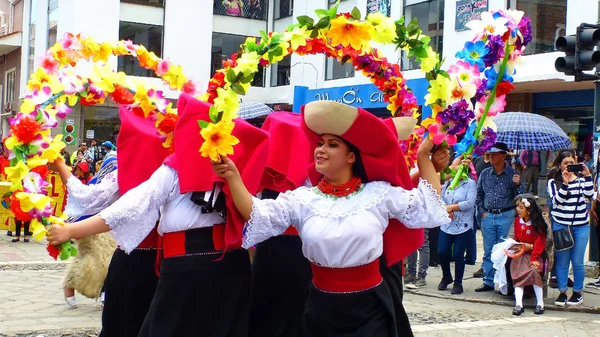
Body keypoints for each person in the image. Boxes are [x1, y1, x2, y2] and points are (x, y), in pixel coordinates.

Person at [213, 101, 450, 336]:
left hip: (370, 307)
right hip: (321, 308)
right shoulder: (303, 200)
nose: (320, 150)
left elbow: (427, 205)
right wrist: (233, 176)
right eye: (319, 143)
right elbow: (258, 214)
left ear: (351, 157)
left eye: (332, 144)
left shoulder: (378, 194)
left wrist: (423, 157)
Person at [47, 94, 270, 337]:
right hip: (229, 268)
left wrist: (71, 230)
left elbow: (131, 205)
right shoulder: (238, 170)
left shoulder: (177, 170)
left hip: (187, 268)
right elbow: (259, 216)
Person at [49, 105, 170, 336]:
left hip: (130, 261)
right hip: (171, 263)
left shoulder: (123, 172)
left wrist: (62, 168)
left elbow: (88, 199)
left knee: (120, 327)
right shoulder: (175, 170)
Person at [475, 142, 525, 292]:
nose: (491, 157)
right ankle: (488, 280)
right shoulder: (485, 174)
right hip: (488, 215)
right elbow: (479, 195)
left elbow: (521, 197)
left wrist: (518, 184)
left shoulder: (513, 174)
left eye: (495, 154)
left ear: (504, 156)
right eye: (490, 154)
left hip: (506, 215)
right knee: (489, 249)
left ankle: (504, 281)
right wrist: (483, 212)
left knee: (505, 250)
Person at [547, 150, 593, 306]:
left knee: (578, 261)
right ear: (559, 165)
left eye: (571, 163)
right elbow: (556, 202)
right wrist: (565, 184)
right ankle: (562, 292)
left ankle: (578, 292)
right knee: (562, 261)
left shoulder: (581, 179)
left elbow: (590, 194)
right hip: (561, 225)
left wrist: (587, 176)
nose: (569, 166)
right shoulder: (553, 182)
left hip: (581, 226)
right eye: (566, 163)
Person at [438, 155, 477, 295]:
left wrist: (452, 207)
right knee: (442, 251)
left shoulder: (470, 184)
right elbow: (441, 198)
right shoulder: (449, 183)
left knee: (459, 253)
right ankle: (446, 276)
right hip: (447, 224)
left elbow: (470, 203)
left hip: (463, 225)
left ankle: (458, 282)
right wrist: (446, 209)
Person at [509, 195, 547, 315]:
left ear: (529, 210)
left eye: (521, 207)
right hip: (520, 254)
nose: (518, 210)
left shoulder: (538, 224)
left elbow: (539, 243)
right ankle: (518, 304)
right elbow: (516, 238)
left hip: (534, 255)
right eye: (517, 207)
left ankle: (540, 303)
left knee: (534, 271)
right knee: (517, 273)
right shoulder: (517, 222)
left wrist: (534, 257)